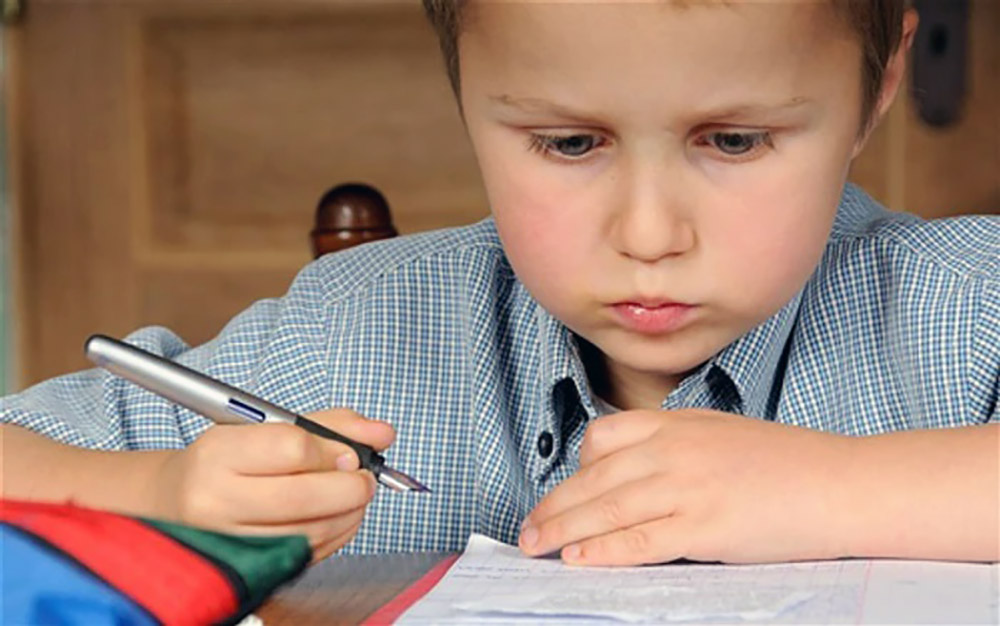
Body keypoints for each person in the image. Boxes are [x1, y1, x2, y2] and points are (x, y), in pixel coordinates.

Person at [2, 0, 997, 566]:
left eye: (735, 140)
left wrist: (840, 491)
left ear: (877, 86)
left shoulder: (964, 312)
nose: (648, 234)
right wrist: (145, 489)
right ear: (466, 93)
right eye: (567, 142)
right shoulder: (353, 336)